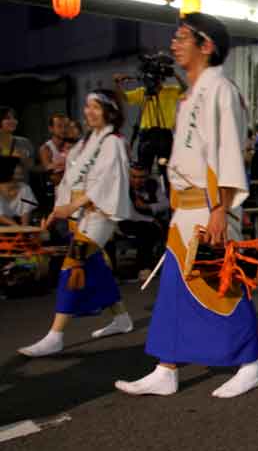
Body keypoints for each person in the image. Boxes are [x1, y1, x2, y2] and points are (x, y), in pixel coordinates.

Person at [115, 13, 258, 399]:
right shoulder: (189, 95)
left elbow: (227, 153)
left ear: (206, 46)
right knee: (175, 292)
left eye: (182, 38)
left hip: (211, 205)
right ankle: (166, 368)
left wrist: (219, 210)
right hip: (185, 207)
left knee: (222, 283)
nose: (174, 45)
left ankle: (250, 363)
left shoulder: (221, 90)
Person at [18, 90, 133, 357]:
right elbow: (71, 181)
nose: (88, 111)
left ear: (109, 111)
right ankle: (122, 318)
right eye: (87, 106)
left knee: (72, 265)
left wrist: (71, 206)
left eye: (96, 107)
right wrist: (58, 211)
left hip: (98, 218)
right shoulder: (85, 143)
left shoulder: (113, 142)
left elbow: (107, 182)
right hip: (78, 216)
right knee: (95, 267)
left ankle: (55, 335)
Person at [114, 70, 186, 171]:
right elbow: (125, 97)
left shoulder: (170, 91)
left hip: (164, 133)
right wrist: (118, 84)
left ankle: (166, 185)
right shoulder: (143, 92)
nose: (155, 83)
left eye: (157, 80)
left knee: (166, 169)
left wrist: (173, 73)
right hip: (147, 133)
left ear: (161, 80)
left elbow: (184, 87)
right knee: (143, 169)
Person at [119, 162, 169, 282]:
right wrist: (152, 219)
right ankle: (143, 268)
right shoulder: (123, 187)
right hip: (126, 221)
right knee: (146, 230)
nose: (137, 181)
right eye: (134, 177)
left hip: (149, 219)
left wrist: (148, 207)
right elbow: (130, 213)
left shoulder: (153, 184)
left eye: (141, 177)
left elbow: (165, 204)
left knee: (160, 228)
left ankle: (166, 266)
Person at [0, 157, 38, 226]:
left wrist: (23, 229)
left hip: (18, 226)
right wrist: (16, 227)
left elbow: (26, 213)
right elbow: (0, 217)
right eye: (17, 167)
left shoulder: (25, 188)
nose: (21, 169)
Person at [0, 106, 34, 170]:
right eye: (7, 118)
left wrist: (23, 158)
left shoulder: (25, 142)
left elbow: (31, 167)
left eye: (15, 118)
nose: (13, 121)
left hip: (22, 179)